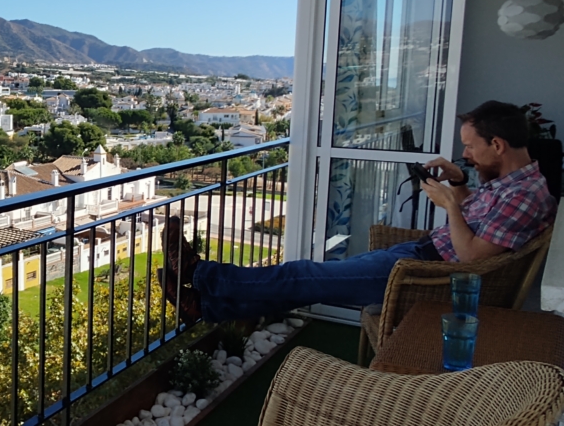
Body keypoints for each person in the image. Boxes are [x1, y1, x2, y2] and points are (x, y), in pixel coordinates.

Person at [161, 101, 558, 323]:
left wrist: (451, 205)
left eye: (471, 147)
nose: (467, 154)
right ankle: (205, 307)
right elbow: (480, 223)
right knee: (304, 284)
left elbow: (472, 256)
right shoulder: (518, 185)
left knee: (303, 275)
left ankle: (197, 272)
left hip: (425, 273)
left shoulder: (527, 196)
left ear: (499, 145)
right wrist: (458, 183)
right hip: (420, 257)